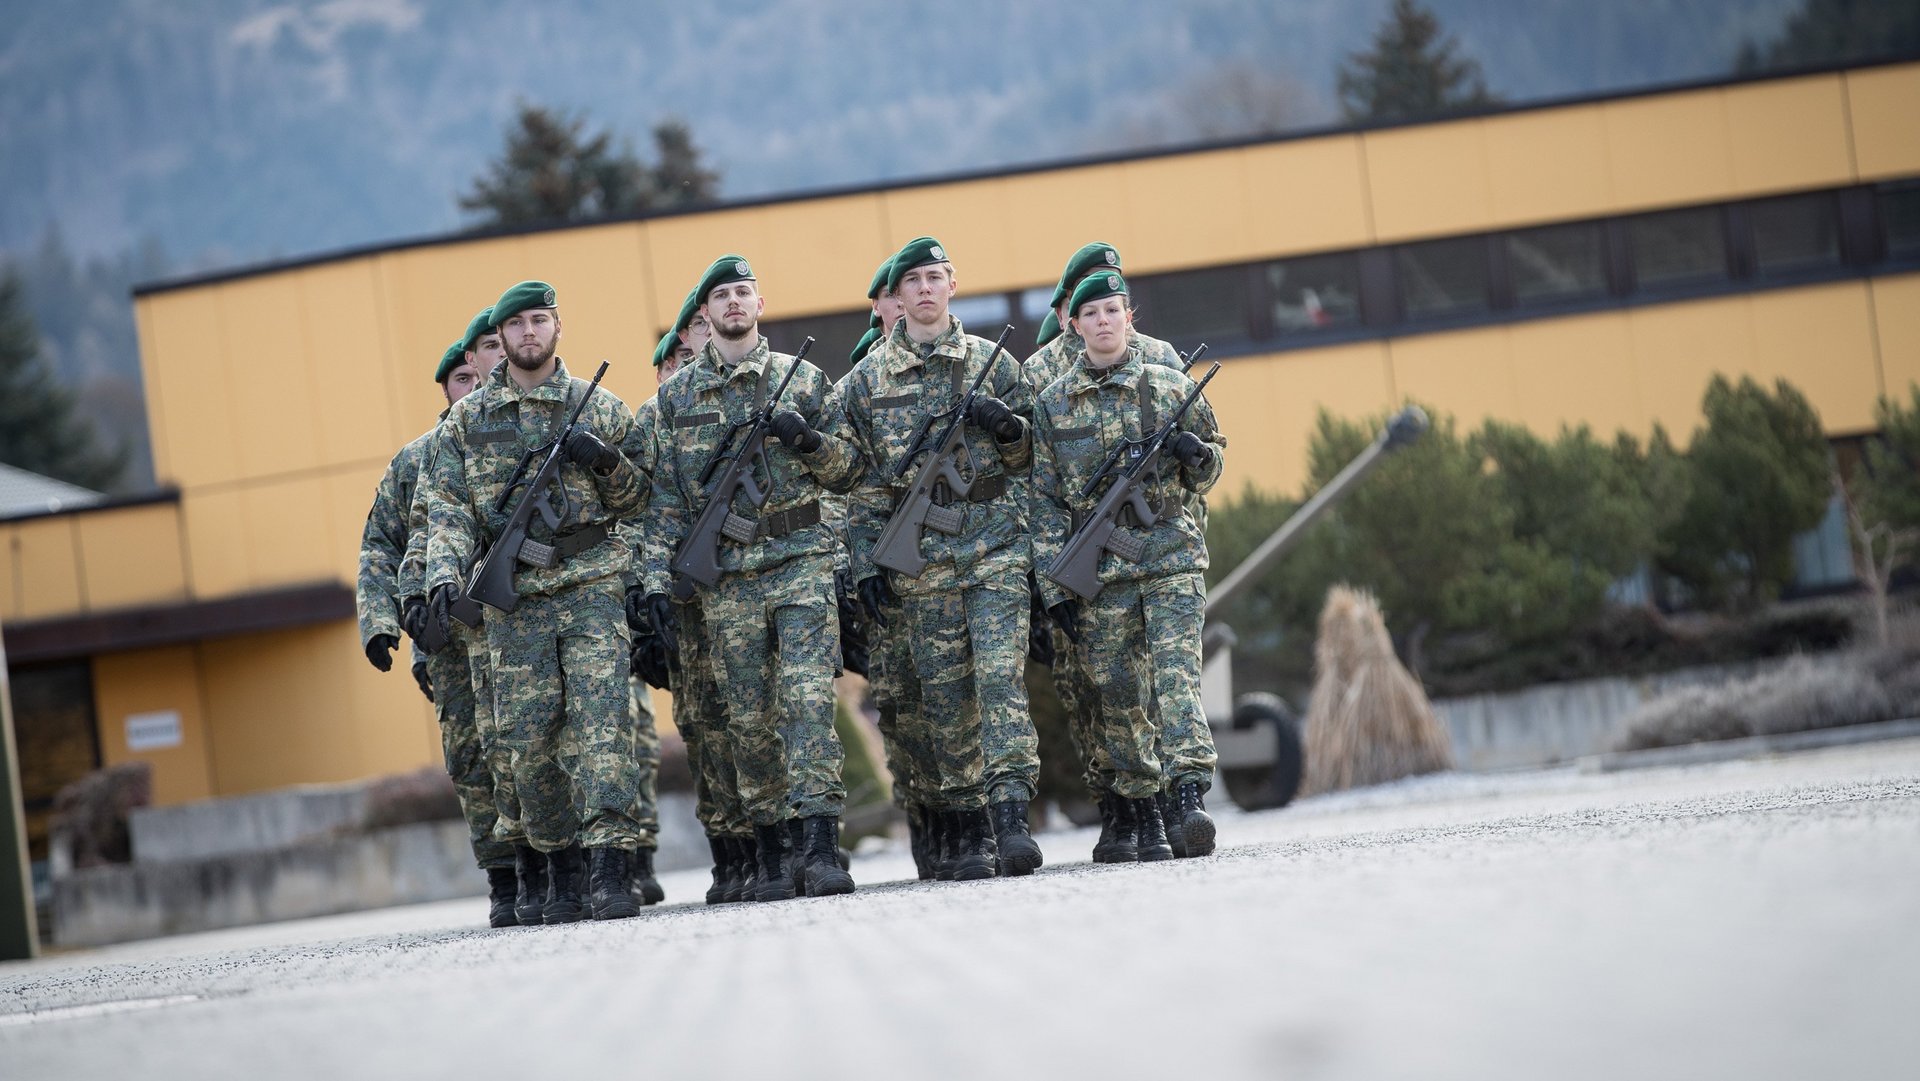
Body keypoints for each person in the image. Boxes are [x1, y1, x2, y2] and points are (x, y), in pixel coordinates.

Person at [423, 280, 649, 922]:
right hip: (512, 603)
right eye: (517, 323)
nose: (528, 333)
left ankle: (611, 868)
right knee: (530, 740)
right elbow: (446, 509)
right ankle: (560, 869)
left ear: (558, 327)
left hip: (589, 588)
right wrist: (443, 577)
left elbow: (643, 501)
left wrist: (606, 464)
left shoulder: (597, 407)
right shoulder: (469, 421)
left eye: (540, 320)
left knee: (604, 726)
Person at [640, 255, 861, 901]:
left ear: (759, 304)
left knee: (807, 704)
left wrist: (808, 442)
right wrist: (655, 583)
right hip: (726, 583)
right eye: (722, 296)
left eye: (744, 292)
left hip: (800, 566)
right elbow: (663, 504)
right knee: (748, 719)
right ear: (702, 314)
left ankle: (821, 846)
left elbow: (849, 471)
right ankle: (771, 850)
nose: (735, 303)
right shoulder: (674, 401)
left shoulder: (805, 381)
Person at [832, 236, 1043, 881]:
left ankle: (1011, 822)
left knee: (1001, 685)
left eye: (936, 277)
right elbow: (856, 484)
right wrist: (867, 566)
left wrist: (1007, 428)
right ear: (895, 297)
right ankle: (966, 825)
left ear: (953, 285)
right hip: (919, 569)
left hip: (994, 548)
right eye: (912, 281)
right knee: (945, 701)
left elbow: (1036, 461)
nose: (924, 289)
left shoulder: (994, 365)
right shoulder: (864, 384)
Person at [1030, 271, 1227, 862]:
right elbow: (1042, 500)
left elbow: (1212, 465)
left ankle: (1188, 799)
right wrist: (1053, 586)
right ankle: (1142, 810)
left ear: (1129, 316)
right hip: (1103, 576)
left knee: (1175, 680)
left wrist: (1197, 458)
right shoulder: (1053, 405)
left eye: (1113, 310)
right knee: (1118, 693)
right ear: (1073, 324)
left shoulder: (1170, 389)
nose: (1103, 322)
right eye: (1091, 314)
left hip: (1168, 559)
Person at [357, 320, 515, 925]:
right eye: (461, 379)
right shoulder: (416, 461)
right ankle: (504, 876)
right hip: (445, 634)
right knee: (474, 760)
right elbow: (380, 546)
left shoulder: (519, 434)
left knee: (530, 747)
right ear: (446, 389)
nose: (474, 386)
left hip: (516, 620)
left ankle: (556, 866)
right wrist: (381, 624)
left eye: (483, 373)